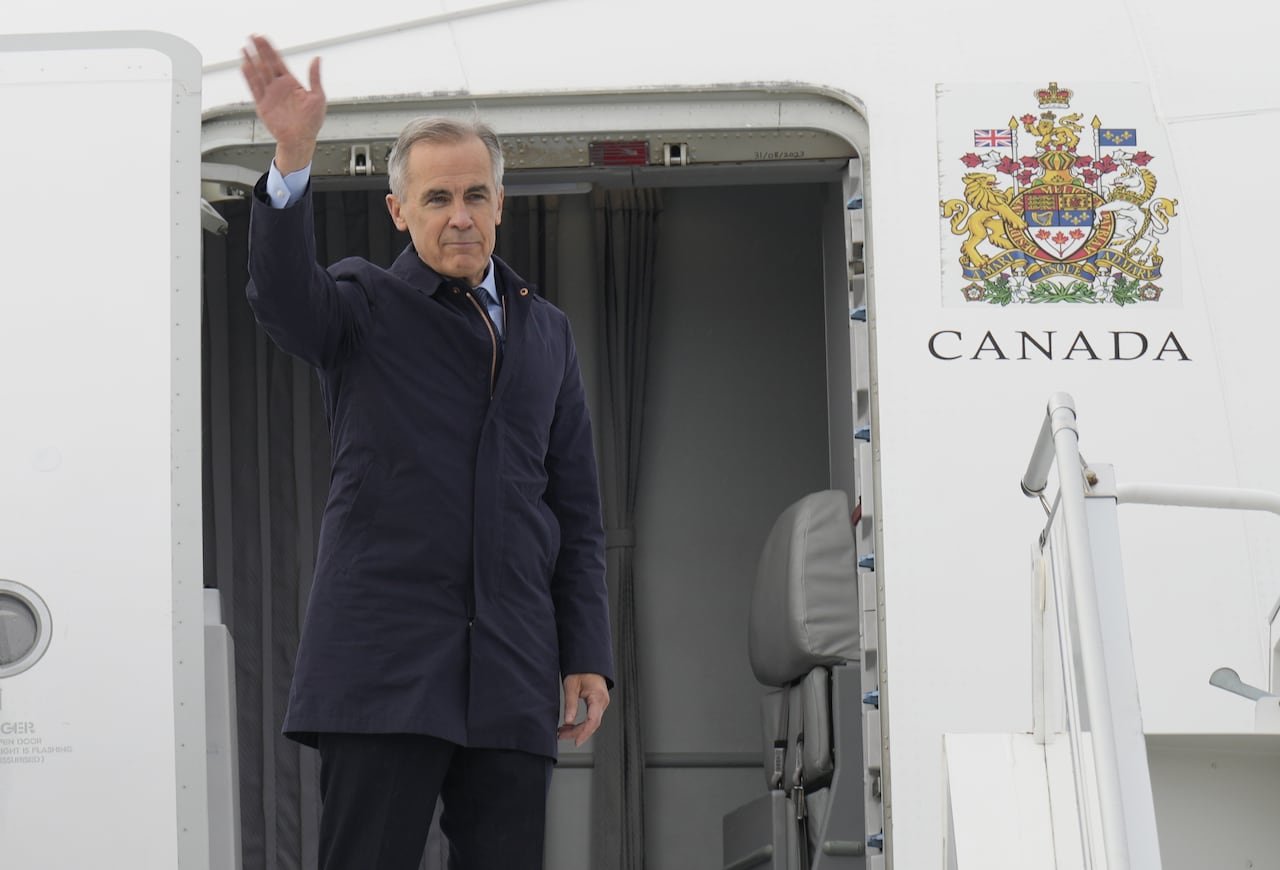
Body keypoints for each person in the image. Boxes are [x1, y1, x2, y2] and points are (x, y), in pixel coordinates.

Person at [239, 34, 614, 870]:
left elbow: (577, 512)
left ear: (501, 204)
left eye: (476, 195)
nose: (461, 215)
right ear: (399, 211)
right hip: (385, 666)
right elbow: (282, 297)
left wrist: (586, 652)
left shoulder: (546, 331)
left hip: (513, 666)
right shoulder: (362, 305)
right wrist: (292, 158)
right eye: (437, 197)